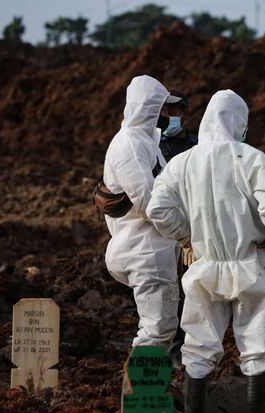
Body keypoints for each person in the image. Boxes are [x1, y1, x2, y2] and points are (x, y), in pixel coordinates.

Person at [147, 89, 265, 413]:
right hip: (250, 264)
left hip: (204, 267)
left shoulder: (183, 162)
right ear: (238, 123)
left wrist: (187, 239)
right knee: (258, 342)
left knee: (197, 344)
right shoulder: (251, 159)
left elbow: (157, 210)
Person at [102, 75, 183, 349]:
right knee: (156, 330)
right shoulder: (130, 145)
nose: (167, 115)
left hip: (154, 250)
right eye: (162, 108)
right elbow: (150, 203)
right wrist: (186, 234)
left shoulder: (146, 142)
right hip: (144, 252)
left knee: (162, 328)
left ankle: (152, 390)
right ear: (148, 108)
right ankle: (140, 392)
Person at [157, 90, 198, 369]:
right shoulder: (155, 147)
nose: (173, 117)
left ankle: (180, 346)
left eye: (177, 111)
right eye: (167, 112)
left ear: (185, 112)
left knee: (189, 286)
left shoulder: (197, 145)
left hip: (193, 225)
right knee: (167, 286)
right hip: (165, 226)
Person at [159, 90, 197, 163]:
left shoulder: (198, 145)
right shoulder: (154, 144)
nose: (166, 115)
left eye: (171, 110)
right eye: (163, 110)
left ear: (185, 113)